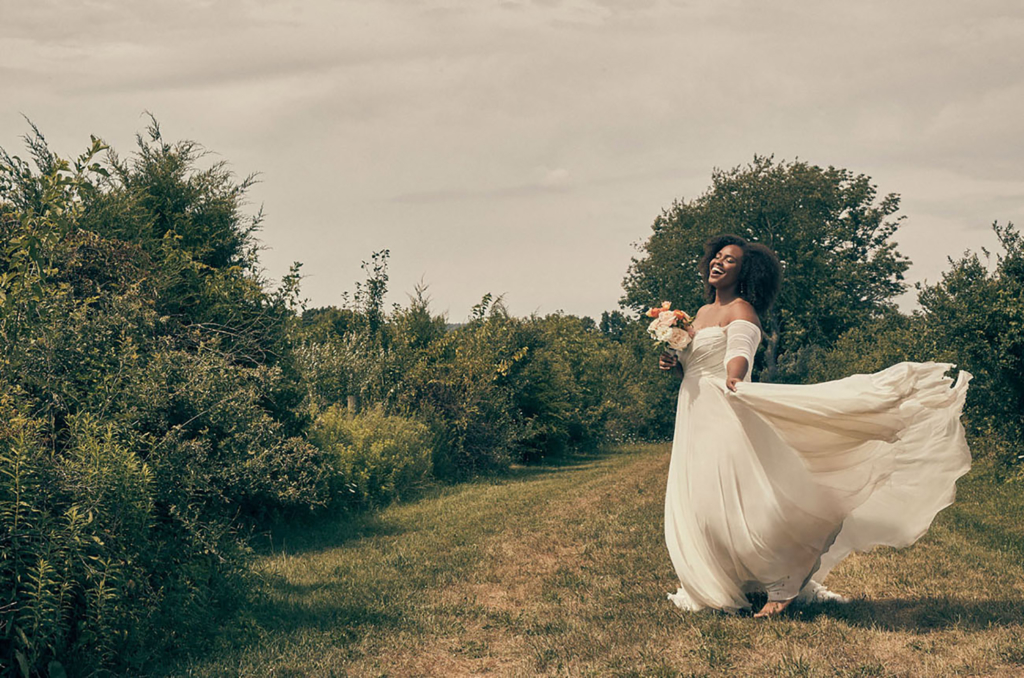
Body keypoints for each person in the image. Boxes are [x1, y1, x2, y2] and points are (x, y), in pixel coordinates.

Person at [659, 234, 972, 618]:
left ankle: (783, 582)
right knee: (702, 498)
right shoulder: (701, 313)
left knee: (741, 498)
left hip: (722, 412)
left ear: (745, 273)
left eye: (731, 261)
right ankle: (730, 580)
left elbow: (740, 354)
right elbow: (694, 369)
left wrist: (734, 377)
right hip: (693, 413)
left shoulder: (742, 311)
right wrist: (677, 365)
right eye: (717, 257)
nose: (719, 263)